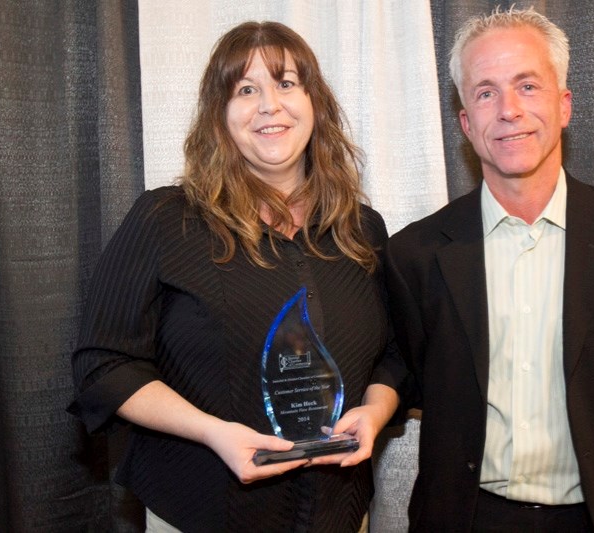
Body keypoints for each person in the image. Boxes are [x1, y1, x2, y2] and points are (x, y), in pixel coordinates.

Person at [69, 21, 405, 532]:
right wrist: (212, 432)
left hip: (339, 512)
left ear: (315, 103)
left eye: (286, 83)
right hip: (203, 511)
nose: (269, 104)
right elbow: (103, 364)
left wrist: (377, 412)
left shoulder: (363, 229)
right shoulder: (165, 220)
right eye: (246, 90)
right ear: (221, 116)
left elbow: (394, 354)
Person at [384, 6, 594, 533]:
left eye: (527, 86)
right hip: (464, 518)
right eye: (486, 92)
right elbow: (419, 380)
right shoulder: (414, 255)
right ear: (466, 122)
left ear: (563, 106)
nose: (508, 110)